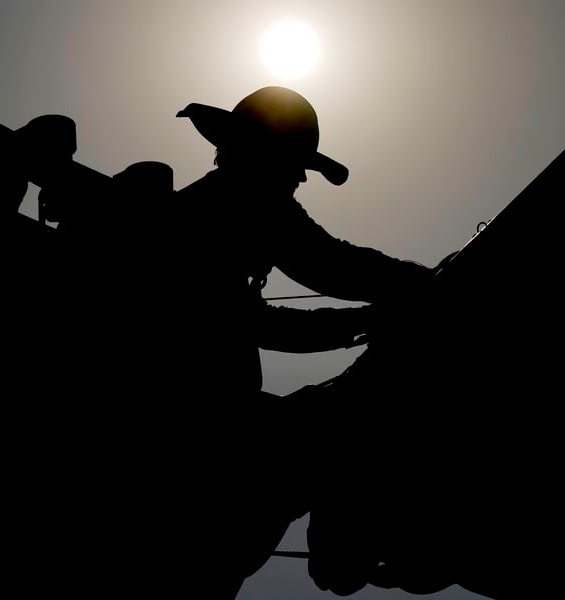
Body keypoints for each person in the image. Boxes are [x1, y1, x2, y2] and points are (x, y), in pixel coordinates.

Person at [163, 86, 433, 596]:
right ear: (263, 156)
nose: (299, 179)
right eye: (295, 166)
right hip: (201, 420)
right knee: (340, 427)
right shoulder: (248, 199)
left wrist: (364, 318)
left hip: (209, 414)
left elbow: (261, 319)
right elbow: (331, 265)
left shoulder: (218, 204)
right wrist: (417, 289)